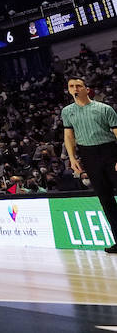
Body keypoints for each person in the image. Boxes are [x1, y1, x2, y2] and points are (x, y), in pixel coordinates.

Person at [61, 75, 117, 253]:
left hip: (110, 152)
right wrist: (72, 158)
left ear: (87, 89)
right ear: (69, 90)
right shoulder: (67, 111)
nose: (75, 89)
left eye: (78, 85)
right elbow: (69, 136)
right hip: (88, 154)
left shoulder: (104, 109)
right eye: (71, 86)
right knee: (105, 199)